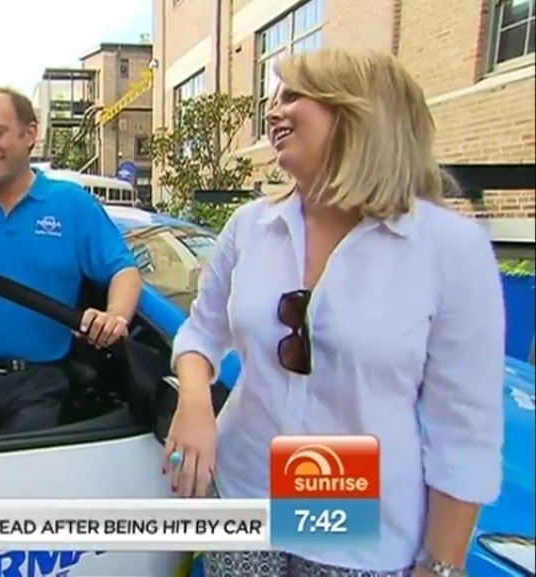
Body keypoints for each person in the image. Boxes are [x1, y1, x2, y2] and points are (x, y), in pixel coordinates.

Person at [164, 49, 504, 577]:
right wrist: (194, 402)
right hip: (245, 495)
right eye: (273, 98)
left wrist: (441, 565)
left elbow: (464, 431)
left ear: (359, 111)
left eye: (293, 96)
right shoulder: (249, 227)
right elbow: (201, 333)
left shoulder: (449, 247)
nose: (273, 111)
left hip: (360, 533)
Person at [0, 87, 142, 439]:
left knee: (18, 473)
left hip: (38, 386)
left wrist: (116, 316)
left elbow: (123, 270)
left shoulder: (72, 206)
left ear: (30, 133)